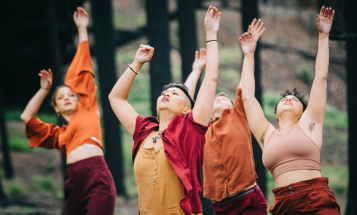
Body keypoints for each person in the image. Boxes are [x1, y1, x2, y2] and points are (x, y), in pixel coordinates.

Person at [109, 5, 221, 215]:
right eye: (164, 93)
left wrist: (211, 33)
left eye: (175, 94)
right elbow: (115, 98)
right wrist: (136, 63)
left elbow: (211, 79)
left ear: (187, 109)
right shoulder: (143, 130)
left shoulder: (191, 129)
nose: (167, 94)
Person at [241, 6, 340, 214]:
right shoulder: (266, 135)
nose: (288, 99)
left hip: (315, 199)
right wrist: (249, 55)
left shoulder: (310, 124)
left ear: (304, 112)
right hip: (283, 204)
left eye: (294, 99)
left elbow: (320, 78)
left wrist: (323, 36)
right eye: (284, 98)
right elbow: (247, 98)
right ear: (275, 113)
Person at [20, 7, 116, 215]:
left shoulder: (88, 108)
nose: (67, 98)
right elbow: (26, 117)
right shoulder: (59, 134)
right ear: (55, 108)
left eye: (71, 95)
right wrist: (44, 90)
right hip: (73, 180)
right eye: (61, 97)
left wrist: (82, 29)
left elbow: (84, 67)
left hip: (97, 174)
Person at [184, 19, 267, 215]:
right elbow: (182, 101)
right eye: (215, 98)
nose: (219, 97)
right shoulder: (198, 128)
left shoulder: (238, 115)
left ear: (233, 106)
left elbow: (245, 89)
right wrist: (196, 70)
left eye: (224, 98)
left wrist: (249, 55)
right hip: (221, 208)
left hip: (249, 200)